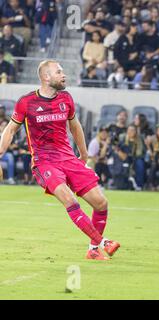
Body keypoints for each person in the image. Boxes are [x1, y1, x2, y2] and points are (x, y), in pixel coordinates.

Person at [0, 60, 120, 260]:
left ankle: (92, 250)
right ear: (46, 77)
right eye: (59, 72)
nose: (64, 75)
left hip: (68, 158)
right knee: (70, 200)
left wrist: (83, 154)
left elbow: (75, 127)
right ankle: (102, 242)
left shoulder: (66, 98)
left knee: (101, 203)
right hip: (44, 162)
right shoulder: (26, 102)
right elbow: (10, 130)